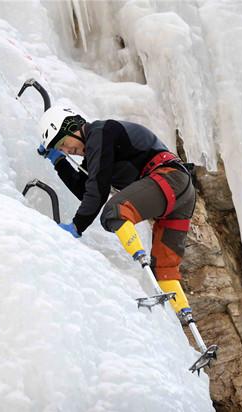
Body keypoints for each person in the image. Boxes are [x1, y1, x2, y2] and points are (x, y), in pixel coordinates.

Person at [37, 106, 196, 315]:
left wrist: (77, 226)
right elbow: (86, 191)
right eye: (62, 149)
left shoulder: (101, 133)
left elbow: (98, 190)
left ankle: (140, 259)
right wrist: (59, 162)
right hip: (181, 196)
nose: (67, 150)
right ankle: (187, 320)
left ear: (72, 127)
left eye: (64, 143)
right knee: (164, 269)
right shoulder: (97, 149)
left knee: (115, 211)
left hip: (169, 180)